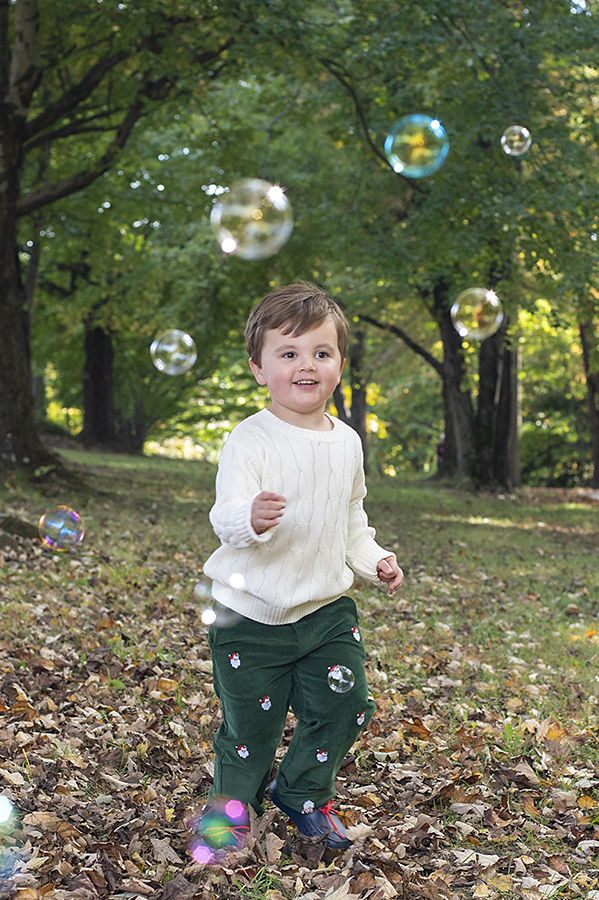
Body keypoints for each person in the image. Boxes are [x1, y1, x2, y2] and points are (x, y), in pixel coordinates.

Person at [201, 282, 404, 851]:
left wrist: (374, 559)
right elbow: (225, 514)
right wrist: (251, 518)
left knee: (348, 704)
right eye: (287, 353)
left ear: (340, 363)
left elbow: (350, 519)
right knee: (251, 731)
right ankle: (233, 811)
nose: (306, 365)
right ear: (259, 369)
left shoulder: (347, 443)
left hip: (325, 612)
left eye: (321, 352)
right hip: (249, 615)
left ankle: (304, 793)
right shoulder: (250, 439)